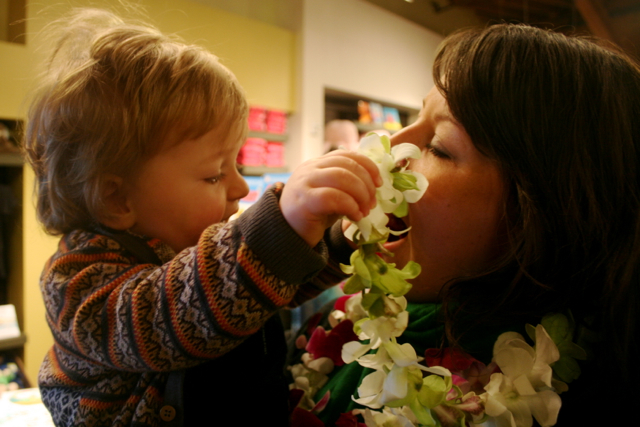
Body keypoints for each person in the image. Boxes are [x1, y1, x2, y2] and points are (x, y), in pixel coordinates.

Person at [23, 8, 382, 426]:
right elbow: (173, 313)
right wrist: (280, 227)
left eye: (237, 164)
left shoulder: (200, 250)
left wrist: (338, 238)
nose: (241, 188)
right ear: (117, 198)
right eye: (214, 174)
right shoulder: (78, 283)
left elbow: (273, 289)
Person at [289, 23, 640, 426]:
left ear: (541, 216)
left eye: (439, 146)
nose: (390, 148)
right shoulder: (339, 317)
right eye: (415, 119)